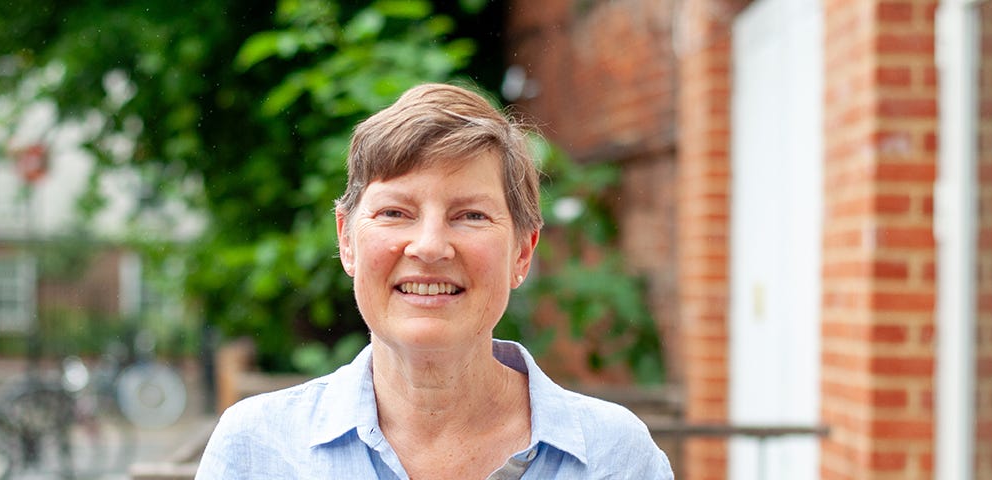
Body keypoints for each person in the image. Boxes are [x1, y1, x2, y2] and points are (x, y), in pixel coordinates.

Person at [196, 83, 674, 479]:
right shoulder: (257, 450)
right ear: (347, 241)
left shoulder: (617, 458)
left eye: (470, 214)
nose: (429, 246)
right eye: (395, 212)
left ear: (522, 252)